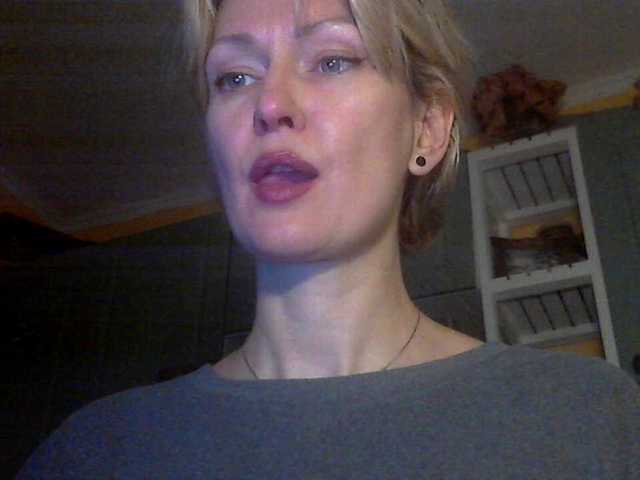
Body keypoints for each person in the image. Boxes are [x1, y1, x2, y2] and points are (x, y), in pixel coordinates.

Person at [17, 0, 640, 478]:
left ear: (426, 128)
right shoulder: (94, 454)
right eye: (234, 77)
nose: (270, 105)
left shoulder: (590, 419)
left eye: (333, 60)